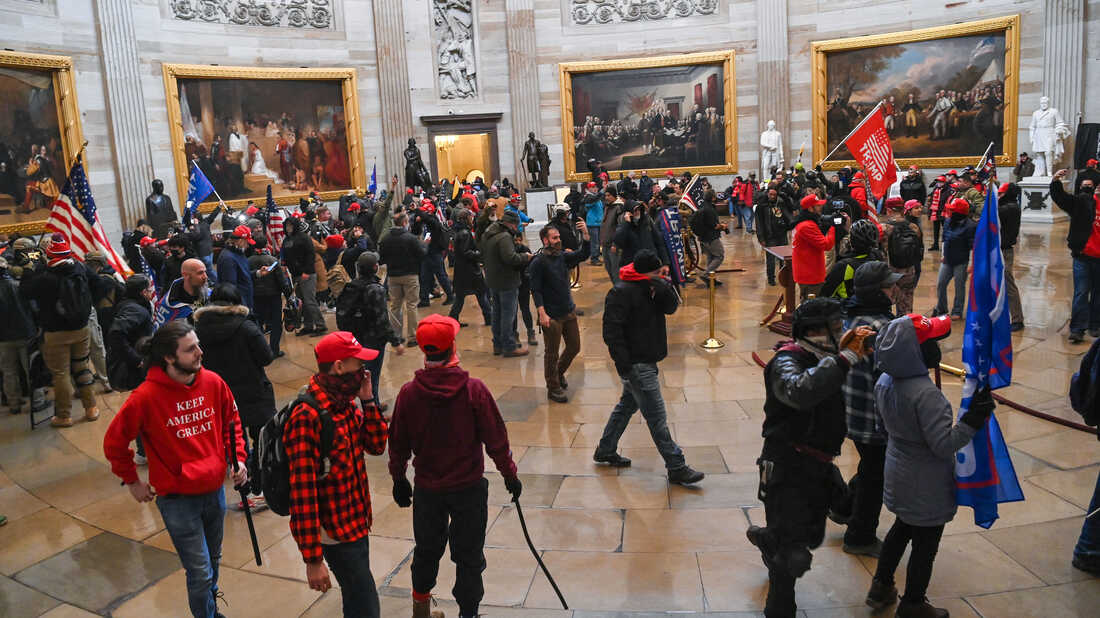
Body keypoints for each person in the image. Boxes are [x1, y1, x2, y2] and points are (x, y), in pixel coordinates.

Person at [103, 320, 249, 618]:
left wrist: (239, 459)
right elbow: (114, 442)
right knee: (200, 572)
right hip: (178, 501)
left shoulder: (213, 382)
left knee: (214, 561)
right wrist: (131, 481)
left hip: (214, 492)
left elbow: (231, 422)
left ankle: (209, 610)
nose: (200, 352)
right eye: (191, 348)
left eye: (197, 345)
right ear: (169, 357)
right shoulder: (144, 397)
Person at [745, 297, 873, 618]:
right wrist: (843, 359)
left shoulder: (825, 358)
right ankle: (779, 606)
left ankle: (768, 538)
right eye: (836, 327)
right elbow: (799, 392)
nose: (842, 333)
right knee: (793, 555)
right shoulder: (787, 361)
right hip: (787, 466)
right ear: (817, 332)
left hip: (819, 463)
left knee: (844, 510)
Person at [388, 314, 521, 618]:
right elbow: (496, 438)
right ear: (453, 346)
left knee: (426, 551)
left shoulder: (409, 393)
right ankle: (469, 613)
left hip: (428, 488)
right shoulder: (474, 390)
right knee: (469, 556)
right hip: (468, 488)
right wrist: (509, 475)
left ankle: (420, 609)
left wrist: (398, 477)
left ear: (424, 351)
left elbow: (397, 442)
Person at [867, 314, 995, 618]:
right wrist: (972, 422)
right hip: (925, 480)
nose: (938, 347)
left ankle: (881, 585)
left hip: (898, 468)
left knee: (901, 529)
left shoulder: (884, 380)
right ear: (916, 352)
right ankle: (913, 602)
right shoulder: (927, 395)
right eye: (933, 342)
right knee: (926, 543)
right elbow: (943, 445)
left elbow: (883, 427)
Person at [595, 250, 704, 485]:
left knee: (626, 406)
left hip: (647, 359)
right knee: (657, 418)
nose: (661, 275)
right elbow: (611, 332)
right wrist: (624, 366)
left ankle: (605, 449)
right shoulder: (620, 292)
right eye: (657, 273)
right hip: (636, 364)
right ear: (645, 272)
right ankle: (676, 465)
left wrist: (664, 287)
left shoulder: (652, 288)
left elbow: (672, 308)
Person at [831, 262, 900, 558]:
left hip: (850, 411)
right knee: (876, 475)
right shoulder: (882, 329)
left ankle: (845, 507)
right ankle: (860, 536)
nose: (894, 288)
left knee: (872, 466)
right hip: (873, 418)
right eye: (888, 285)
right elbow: (893, 375)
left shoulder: (848, 318)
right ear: (877, 292)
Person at [192, 283, 274, 509]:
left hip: (221, 396)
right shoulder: (246, 327)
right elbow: (266, 357)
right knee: (262, 441)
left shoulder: (198, 330)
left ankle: (245, 491)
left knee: (233, 444)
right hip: (254, 392)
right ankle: (260, 488)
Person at [20, 236, 99, 427]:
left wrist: (30, 269)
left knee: (61, 374)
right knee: (83, 367)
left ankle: (64, 415)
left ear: (49, 255)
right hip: (81, 329)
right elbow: (99, 284)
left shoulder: (44, 278)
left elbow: (24, 292)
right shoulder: (79, 268)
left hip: (55, 333)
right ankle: (91, 408)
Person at [530, 220, 590, 402]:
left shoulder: (563, 256)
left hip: (568, 310)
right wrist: (541, 313)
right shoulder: (538, 262)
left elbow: (583, 254)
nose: (558, 240)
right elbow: (535, 289)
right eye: (554, 238)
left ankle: (558, 373)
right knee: (551, 352)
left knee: (574, 346)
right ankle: (553, 386)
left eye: (558, 237)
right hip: (551, 315)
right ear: (545, 240)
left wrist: (586, 236)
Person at [337, 251, 406, 410]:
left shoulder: (352, 286)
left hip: (355, 337)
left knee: (361, 373)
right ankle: (372, 408)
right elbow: (382, 320)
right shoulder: (376, 289)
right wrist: (396, 342)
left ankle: (371, 402)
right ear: (375, 267)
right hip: (373, 340)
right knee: (371, 375)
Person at [1051, 169, 1100, 343]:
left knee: (1098, 294)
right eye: (1084, 185)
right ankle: (1078, 328)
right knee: (1081, 292)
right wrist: (1055, 180)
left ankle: (1095, 325)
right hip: (1083, 256)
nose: (1089, 188)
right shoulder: (1080, 203)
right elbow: (1061, 198)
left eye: (1091, 185)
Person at [481, 210, 531, 356]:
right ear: (510, 224)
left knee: (497, 313)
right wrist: (525, 257)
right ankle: (509, 346)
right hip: (507, 280)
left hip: (493, 279)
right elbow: (510, 258)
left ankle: (497, 344)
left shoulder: (489, 233)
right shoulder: (504, 237)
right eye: (516, 225)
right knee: (508, 314)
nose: (517, 228)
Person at [0, 256, 45, 414]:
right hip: (26, 333)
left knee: (8, 372)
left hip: (3, 338)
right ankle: (38, 401)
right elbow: (34, 308)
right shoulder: (18, 286)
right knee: (31, 369)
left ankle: (14, 403)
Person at [379, 210, 428, 346]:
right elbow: (422, 254)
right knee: (412, 305)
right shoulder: (410, 238)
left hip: (393, 276)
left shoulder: (386, 239)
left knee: (395, 306)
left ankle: (396, 336)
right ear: (405, 222)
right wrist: (424, 244)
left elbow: (381, 259)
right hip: (410, 274)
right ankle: (412, 337)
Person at [106, 274, 156, 393]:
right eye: (150, 290)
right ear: (143, 292)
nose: (152, 292)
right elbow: (115, 334)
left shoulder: (129, 303)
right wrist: (136, 360)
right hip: (133, 370)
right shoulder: (135, 310)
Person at [932, 198, 976, 320]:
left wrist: (971, 264)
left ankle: (957, 310)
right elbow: (945, 239)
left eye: (952, 210)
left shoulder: (971, 226)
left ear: (959, 213)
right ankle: (941, 310)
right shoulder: (947, 221)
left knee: (959, 286)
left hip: (962, 261)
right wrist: (943, 255)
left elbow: (973, 247)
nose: (949, 212)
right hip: (948, 259)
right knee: (941, 284)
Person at [447, 208, 493, 327]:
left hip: (462, 270)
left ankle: (452, 319)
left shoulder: (460, 232)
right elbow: (466, 252)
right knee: (481, 293)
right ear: (467, 218)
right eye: (471, 217)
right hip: (470, 270)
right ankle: (489, 318)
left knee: (460, 297)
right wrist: (480, 254)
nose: (473, 219)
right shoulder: (465, 233)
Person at [792, 194, 842, 300]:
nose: (821, 208)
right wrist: (832, 227)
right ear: (810, 208)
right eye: (818, 206)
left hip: (808, 272)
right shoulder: (807, 226)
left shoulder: (805, 223)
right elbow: (826, 245)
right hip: (810, 275)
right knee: (810, 309)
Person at [282, 217, 326, 336]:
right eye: (287, 226)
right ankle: (308, 326)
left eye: (290, 225)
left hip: (307, 274)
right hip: (295, 274)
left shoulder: (304, 238)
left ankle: (321, 325)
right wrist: (284, 264)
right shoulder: (286, 240)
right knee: (302, 302)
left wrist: (306, 271)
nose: (288, 228)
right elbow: (285, 255)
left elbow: (310, 255)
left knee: (310, 300)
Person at [820, 219, 884, 300]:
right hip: (876, 308)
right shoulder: (877, 257)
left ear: (851, 241)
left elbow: (825, 294)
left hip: (849, 310)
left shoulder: (843, 266)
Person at [248, 246, 293, 357]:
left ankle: (260, 351)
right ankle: (274, 350)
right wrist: (288, 295)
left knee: (258, 323)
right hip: (273, 297)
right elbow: (281, 281)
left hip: (256, 297)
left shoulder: (248, 261)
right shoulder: (273, 260)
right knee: (276, 324)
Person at [881, 197, 922, 315]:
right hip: (909, 270)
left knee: (885, 304)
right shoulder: (913, 227)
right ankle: (906, 326)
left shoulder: (884, 228)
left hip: (890, 271)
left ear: (888, 210)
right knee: (906, 305)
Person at [414, 202, 454, 307]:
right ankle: (424, 299)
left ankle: (450, 296)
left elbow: (427, 218)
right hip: (427, 253)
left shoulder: (433, 221)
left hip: (435, 253)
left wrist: (417, 210)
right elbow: (415, 231)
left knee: (441, 276)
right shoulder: (425, 221)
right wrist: (417, 221)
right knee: (424, 277)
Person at [998, 182, 1025, 332]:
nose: (999, 196)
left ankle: (1017, 318)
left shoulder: (1011, 207)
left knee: (1008, 284)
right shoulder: (1007, 205)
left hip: (1004, 251)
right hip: (997, 249)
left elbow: (997, 212)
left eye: (1001, 194)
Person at [756, 186, 795, 286]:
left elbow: (789, 212)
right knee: (771, 259)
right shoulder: (761, 206)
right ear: (767, 194)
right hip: (769, 235)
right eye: (770, 194)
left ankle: (785, 276)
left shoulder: (781, 203)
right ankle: (771, 278)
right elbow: (759, 223)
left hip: (781, 233)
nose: (772, 196)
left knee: (784, 258)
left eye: (774, 194)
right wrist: (761, 238)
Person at [613, 200, 669, 267]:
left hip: (650, 262)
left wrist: (666, 263)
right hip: (633, 265)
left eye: (639, 209)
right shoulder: (624, 225)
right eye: (635, 210)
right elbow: (618, 241)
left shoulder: (647, 221)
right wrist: (626, 223)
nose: (637, 212)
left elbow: (659, 243)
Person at [691, 189, 728, 286]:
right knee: (719, 256)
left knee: (711, 257)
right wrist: (723, 226)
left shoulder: (702, 206)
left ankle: (710, 280)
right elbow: (714, 225)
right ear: (713, 198)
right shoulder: (710, 209)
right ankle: (706, 274)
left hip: (703, 237)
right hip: (711, 237)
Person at [215, 225, 256, 310]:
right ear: (240, 241)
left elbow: (242, 276)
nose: (248, 246)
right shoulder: (228, 259)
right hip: (240, 306)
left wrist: (257, 273)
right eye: (247, 243)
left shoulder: (238, 253)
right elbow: (230, 289)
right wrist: (242, 309)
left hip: (246, 300)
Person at [159, 258, 211, 325]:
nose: (205, 277)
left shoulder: (206, 291)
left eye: (205, 272)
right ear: (185, 275)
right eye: (200, 273)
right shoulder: (173, 308)